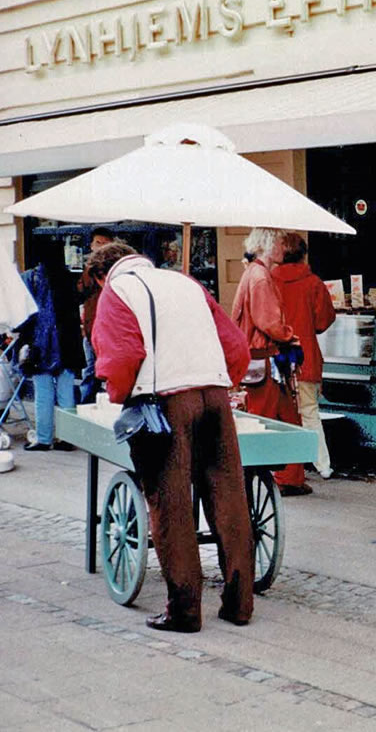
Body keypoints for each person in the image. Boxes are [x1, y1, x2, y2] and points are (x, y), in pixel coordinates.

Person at [88, 242, 254, 633]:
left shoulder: (117, 291)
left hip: (164, 402)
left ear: (100, 275)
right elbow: (236, 347)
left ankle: (184, 610)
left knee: (170, 504)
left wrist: (119, 395)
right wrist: (217, 381)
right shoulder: (186, 283)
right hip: (214, 395)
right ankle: (239, 604)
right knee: (229, 497)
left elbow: (121, 357)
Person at [231, 227, 309, 495]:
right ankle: (265, 478)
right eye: (279, 243)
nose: (283, 249)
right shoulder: (261, 276)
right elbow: (268, 322)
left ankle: (290, 477)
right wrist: (289, 336)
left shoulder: (254, 273)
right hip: (264, 358)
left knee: (285, 418)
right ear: (267, 245)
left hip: (261, 358)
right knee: (267, 420)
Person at [272, 233, 337, 479]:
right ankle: (323, 464)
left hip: (276, 354)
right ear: (303, 254)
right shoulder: (313, 283)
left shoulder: (269, 280)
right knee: (310, 411)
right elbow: (324, 320)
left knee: (281, 412)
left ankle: (286, 465)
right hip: (306, 354)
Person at [18, 237, 84, 451]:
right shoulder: (70, 278)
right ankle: (68, 438)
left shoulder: (31, 277)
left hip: (39, 345)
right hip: (67, 345)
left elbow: (24, 313)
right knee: (66, 393)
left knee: (43, 394)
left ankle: (44, 439)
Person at [78, 227, 115, 404]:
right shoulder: (89, 268)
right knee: (89, 370)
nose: (101, 247)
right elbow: (82, 290)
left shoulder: (115, 269)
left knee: (109, 370)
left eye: (105, 244)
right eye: (98, 243)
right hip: (91, 327)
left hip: (110, 329)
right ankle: (85, 405)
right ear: (92, 246)